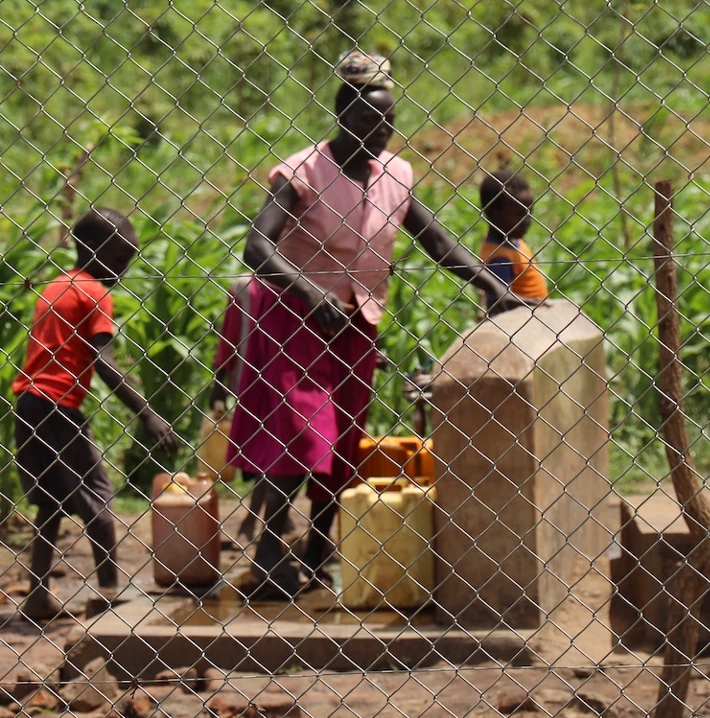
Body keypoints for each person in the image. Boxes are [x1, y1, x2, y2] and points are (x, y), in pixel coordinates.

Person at [210, 51, 542, 601]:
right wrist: (310, 291)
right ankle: (271, 555)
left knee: (341, 442)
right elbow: (256, 246)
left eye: (388, 123)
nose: (380, 134)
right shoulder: (303, 172)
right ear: (342, 117)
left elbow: (436, 242)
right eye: (369, 122)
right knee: (301, 437)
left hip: (355, 324)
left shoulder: (395, 175)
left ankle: (317, 555)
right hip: (293, 319)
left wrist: (493, 286)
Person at [12, 208, 178, 620]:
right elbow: (103, 363)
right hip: (57, 408)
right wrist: (147, 414)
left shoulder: (57, 285)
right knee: (100, 502)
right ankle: (110, 594)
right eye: (120, 257)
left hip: (29, 405)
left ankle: (37, 594)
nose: (124, 268)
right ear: (94, 250)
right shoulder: (94, 293)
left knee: (51, 502)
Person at [476, 169, 548, 301]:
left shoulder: (511, 241)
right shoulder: (500, 258)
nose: (527, 221)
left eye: (529, 213)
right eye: (519, 214)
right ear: (492, 212)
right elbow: (499, 303)